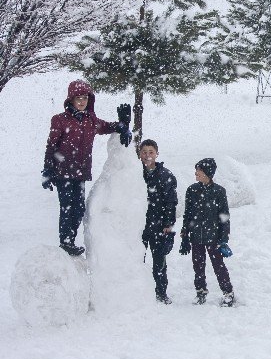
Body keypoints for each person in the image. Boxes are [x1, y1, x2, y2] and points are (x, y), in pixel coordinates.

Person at [42, 80, 132, 256]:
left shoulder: (90, 120)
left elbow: (107, 126)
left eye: (85, 98)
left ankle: (71, 240)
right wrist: (48, 169)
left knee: (79, 209)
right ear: (71, 100)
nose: (82, 101)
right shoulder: (60, 120)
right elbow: (51, 146)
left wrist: (122, 125)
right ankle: (66, 242)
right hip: (63, 172)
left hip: (80, 173)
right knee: (67, 207)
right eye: (78, 98)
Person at [179, 158, 235, 307]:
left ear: (207, 173)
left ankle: (228, 293)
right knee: (198, 266)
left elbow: (224, 217)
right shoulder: (192, 190)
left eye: (199, 170)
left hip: (214, 237)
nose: (196, 173)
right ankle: (201, 292)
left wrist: (223, 240)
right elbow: (187, 215)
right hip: (196, 236)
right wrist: (185, 236)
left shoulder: (219, 191)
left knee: (218, 265)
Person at [139, 139, 177, 304]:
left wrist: (168, 224)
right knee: (137, 258)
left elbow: (171, 202)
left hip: (158, 224)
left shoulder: (165, 176)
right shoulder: (133, 173)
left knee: (159, 260)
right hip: (138, 224)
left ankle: (161, 292)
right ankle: (137, 291)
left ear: (157, 154)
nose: (147, 155)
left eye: (151, 152)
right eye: (144, 152)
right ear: (140, 154)